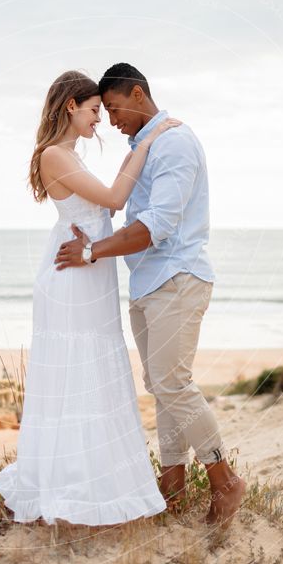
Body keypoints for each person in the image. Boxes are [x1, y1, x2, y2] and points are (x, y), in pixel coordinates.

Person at [54, 62, 246, 528]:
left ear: (137, 94)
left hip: (177, 277)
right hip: (148, 283)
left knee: (173, 384)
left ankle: (224, 480)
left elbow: (156, 226)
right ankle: (173, 482)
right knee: (160, 387)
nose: (111, 120)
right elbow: (118, 201)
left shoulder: (175, 143)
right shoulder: (146, 143)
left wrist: (92, 252)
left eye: (114, 108)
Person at [0, 70, 181, 525]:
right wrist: (149, 141)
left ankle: (97, 480)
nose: (100, 118)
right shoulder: (55, 155)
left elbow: (105, 203)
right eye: (94, 109)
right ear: (69, 107)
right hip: (74, 277)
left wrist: (143, 146)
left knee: (95, 369)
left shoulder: (69, 155)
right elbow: (116, 199)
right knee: (79, 372)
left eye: (102, 108)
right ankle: (72, 485)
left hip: (90, 272)